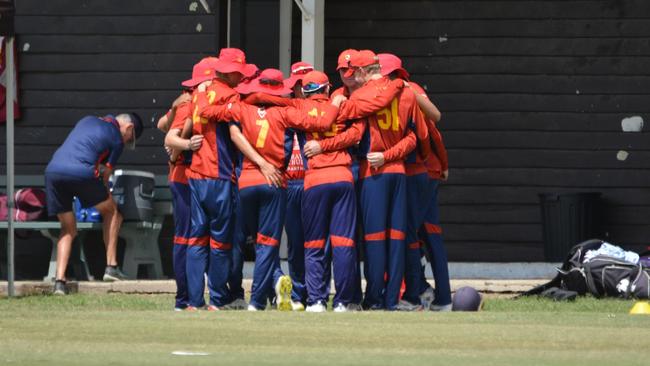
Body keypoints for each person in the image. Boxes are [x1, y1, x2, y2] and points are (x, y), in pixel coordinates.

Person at [198, 68, 341, 311]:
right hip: (275, 181)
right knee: (267, 245)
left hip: (245, 183)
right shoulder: (285, 112)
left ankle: (247, 292)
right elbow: (322, 121)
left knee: (247, 242)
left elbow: (205, 111)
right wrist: (335, 103)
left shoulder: (242, 108)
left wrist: (202, 92)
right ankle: (256, 301)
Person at [345, 50, 430, 310]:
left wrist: (382, 155)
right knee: (396, 238)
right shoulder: (406, 93)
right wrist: (394, 155)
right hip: (400, 172)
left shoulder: (359, 95)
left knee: (373, 238)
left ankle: (374, 298)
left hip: (373, 172)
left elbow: (351, 127)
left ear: (363, 71)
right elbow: (418, 137)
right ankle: (392, 299)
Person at [45, 112, 143, 295]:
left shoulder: (86, 119)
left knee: (67, 229)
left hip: (53, 172)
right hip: (81, 172)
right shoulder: (117, 139)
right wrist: (105, 194)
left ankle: (59, 282)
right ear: (129, 128)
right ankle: (111, 267)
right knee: (113, 212)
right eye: (131, 137)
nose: (127, 141)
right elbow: (106, 174)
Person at [156, 58, 209, 311]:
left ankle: (187, 297)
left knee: (189, 237)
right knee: (186, 238)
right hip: (184, 176)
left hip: (187, 176)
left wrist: (173, 109)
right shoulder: (190, 103)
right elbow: (170, 137)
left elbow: (161, 123)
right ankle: (184, 298)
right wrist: (184, 146)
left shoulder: (184, 100)